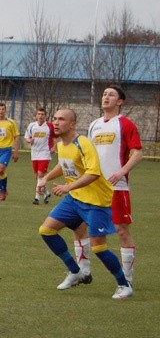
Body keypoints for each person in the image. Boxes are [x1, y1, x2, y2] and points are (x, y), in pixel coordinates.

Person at [37, 108, 132, 299]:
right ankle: (76, 272)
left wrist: (67, 188)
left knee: (99, 248)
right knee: (46, 231)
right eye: (54, 119)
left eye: (61, 119)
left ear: (72, 124)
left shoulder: (84, 143)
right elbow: (63, 165)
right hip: (75, 199)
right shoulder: (62, 145)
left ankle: (124, 285)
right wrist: (45, 178)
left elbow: (93, 173)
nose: (56, 122)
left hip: (96, 202)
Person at [70, 86, 143, 285]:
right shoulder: (94, 125)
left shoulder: (126, 124)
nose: (106, 97)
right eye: (104, 94)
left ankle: (127, 277)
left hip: (117, 187)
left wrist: (121, 172)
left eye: (111, 94)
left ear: (120, 102)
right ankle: (83, 271)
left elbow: (137, 153)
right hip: (92, 186)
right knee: (79, 226)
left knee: (121, 230)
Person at [24, 107, 55, 205]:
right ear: (36, 115)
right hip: (34, 154)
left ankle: (37, 198)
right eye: (39, 114)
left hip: (45, 153)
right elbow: (26, 137)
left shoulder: (50, 126)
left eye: (42, 114)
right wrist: (29, 141)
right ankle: (47, 193)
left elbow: (58, 136)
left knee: (41, 174)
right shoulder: (32, 126)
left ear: (45, 115)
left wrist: (54, 147)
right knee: (38, 176)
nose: (40, 116)